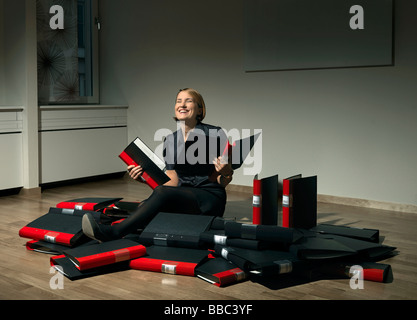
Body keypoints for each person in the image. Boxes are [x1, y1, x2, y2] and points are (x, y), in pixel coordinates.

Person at [82, 88, 234, 241]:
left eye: (189, 101)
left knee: (160, 196)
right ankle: (123, 227)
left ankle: (114, 232)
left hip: (209, 197)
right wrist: (143, 178)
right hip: (182, 195)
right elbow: (172, 181)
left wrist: (227, 171)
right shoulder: (170, 140)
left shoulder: (214, 133)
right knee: (144, 205)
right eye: (179, 101)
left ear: (199, 109)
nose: (182, 105)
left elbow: (223, 182)